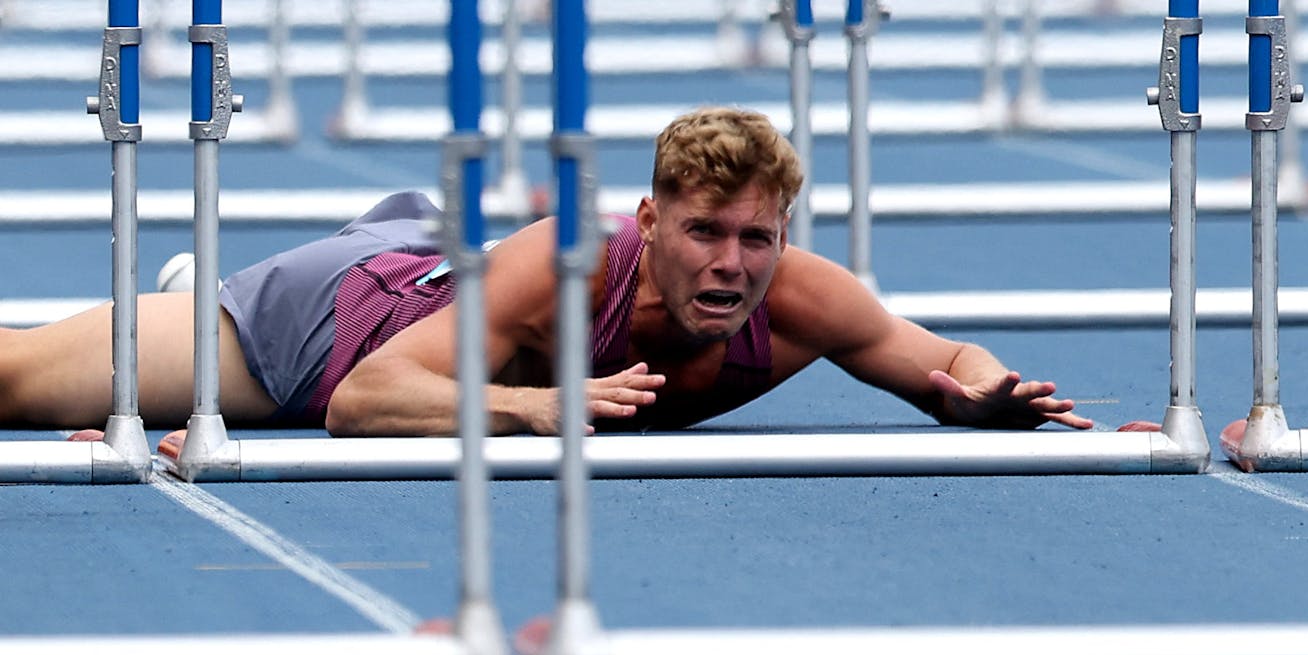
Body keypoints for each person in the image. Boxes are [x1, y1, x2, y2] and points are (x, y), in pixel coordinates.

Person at [0, 107, 1093, 438]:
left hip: (452, 298)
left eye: (755, 240)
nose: (732, 264)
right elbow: (364, 397)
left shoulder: (802, 294)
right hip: (323, 325)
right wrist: (545, 403)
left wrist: (989, 393)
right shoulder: (577, 265)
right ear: (650, 220)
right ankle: (193, 309)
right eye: (707, 233)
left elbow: (946, 362)